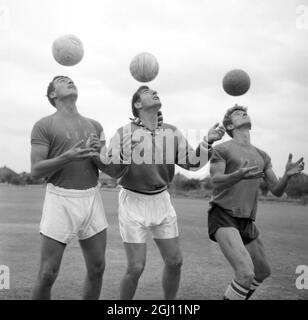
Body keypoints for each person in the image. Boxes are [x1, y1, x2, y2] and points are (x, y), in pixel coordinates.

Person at [99, 85, 225, 300]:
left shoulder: (171, 132)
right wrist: (119, 157)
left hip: (162, 202)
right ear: (138, 104)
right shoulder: (124, 133)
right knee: (136, 267)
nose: (155, 92)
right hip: (133, 202)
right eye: (148, 93)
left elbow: (192, 163)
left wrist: (207, 141)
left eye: (155, 92)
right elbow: (111, 169)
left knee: (175, 262)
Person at [208, 104, 305, 300]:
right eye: (236, 114)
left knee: (261, 272)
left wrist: (286, 175)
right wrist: (237, 175)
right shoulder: (221, 149)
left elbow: (276, 190)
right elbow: (215, 181)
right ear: (229, 125)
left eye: (244, 112)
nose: (243, 113)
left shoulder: (262, 155)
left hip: (247, 221)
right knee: (245, 274)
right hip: (223, 215)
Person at [30, 76, 108, 300]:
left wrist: (98, 155)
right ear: (53, 95)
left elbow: (107, 167)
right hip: (60, 200)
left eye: (71, 79)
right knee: (47, 273)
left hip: (92, 199)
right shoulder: (43, 125)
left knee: (97, 268)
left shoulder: (95, 125)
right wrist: (67, 157)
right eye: (63, 80)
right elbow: (36, 169)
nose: (70, 81)